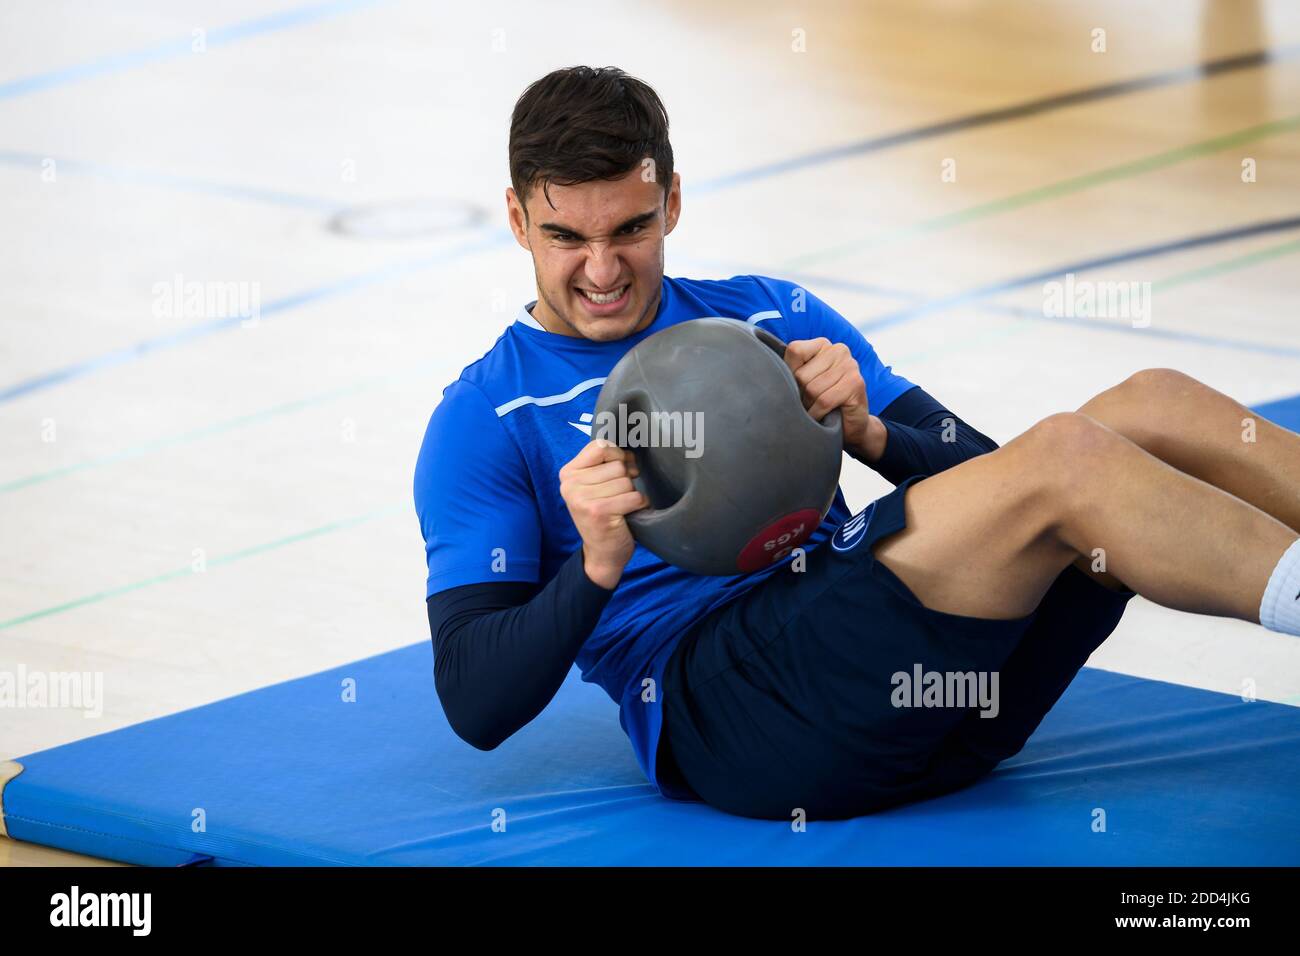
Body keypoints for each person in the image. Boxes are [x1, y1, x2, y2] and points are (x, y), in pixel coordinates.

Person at [413, 65, 1300, 821]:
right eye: (567, 236)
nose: (602, 271)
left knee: (1151, 405)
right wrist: (594, 567)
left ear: (672, 202)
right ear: (519, 219)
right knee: (1070, 459)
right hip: (740, 718)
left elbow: (1006, 478)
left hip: (946, 705)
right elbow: (475, 704)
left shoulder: (767, 314)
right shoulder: (484, 416)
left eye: (630, 230)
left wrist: (874, 435)